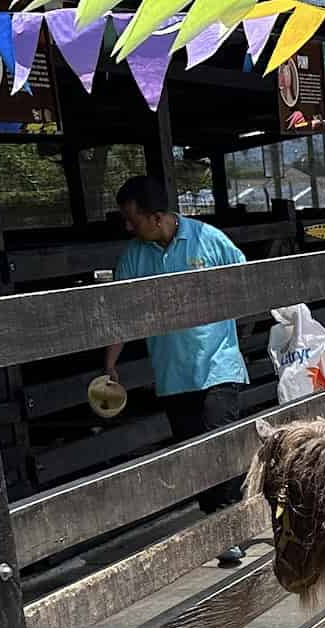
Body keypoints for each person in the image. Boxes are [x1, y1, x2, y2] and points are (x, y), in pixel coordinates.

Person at [103, 174, 250, 566]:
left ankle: (231, 528)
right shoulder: (135, 256)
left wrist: (234, 334)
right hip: (173, 374)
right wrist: (110, 363)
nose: (128, 226)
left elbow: (248, 283)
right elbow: (121, 312)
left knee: (220, 446)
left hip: (218, 365)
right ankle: (222, 528)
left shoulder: (208, 240)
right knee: (196, 456)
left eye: (132, 218)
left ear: (156, 217)